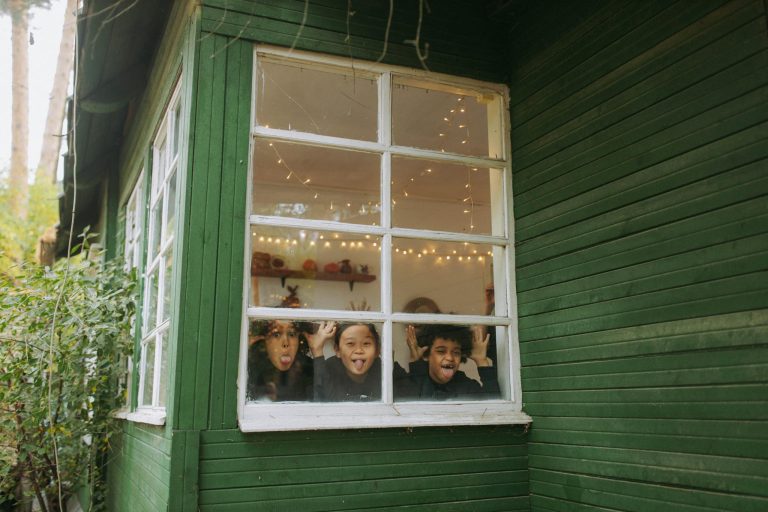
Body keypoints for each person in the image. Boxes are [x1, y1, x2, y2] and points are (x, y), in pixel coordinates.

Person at [394, 323, 499, 400]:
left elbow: (495, 406)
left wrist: (481, 361)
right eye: (441, 351)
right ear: (427, 355)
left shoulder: (466, 386)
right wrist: (416, 364)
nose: (450, 357)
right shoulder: (414, 382)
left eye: (456, 352)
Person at [309, 321, 381, 401]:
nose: (359, 350)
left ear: (377, 350)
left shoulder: (386, 372)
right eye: (350, 343)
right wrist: (317, 350)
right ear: (337, 350)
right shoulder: (328, 370)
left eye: (366, 343)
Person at [246, 319, 313, 401]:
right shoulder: (251, 368)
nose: (285, 343)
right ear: (264, 340)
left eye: (292, 334)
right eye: (276, 334)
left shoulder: (310, 369)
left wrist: (318, 351)